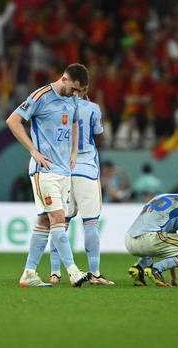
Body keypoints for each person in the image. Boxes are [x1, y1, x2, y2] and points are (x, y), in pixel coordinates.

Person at [6, 63, 92, 287]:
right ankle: (73, 271)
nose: (75, 95)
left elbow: (74, 121)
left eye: (78, 91)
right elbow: (12, 121)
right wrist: (33, 151)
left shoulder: (73, 99)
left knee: (45, 220)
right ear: (64, 79)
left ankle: (28, 273)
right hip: (45, 170)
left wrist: (74, 150)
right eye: (73, 89)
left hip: (64, 170)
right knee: (58, 219)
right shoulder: (41, 96)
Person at [48, 86, 114, 286]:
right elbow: (100, 138)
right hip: (85, 168)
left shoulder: (57, 108)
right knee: (90, 223)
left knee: (60, 223)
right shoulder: (93, 107)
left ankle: (55, 273)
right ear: (85, 90)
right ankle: (95, 273)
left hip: (64, 168)